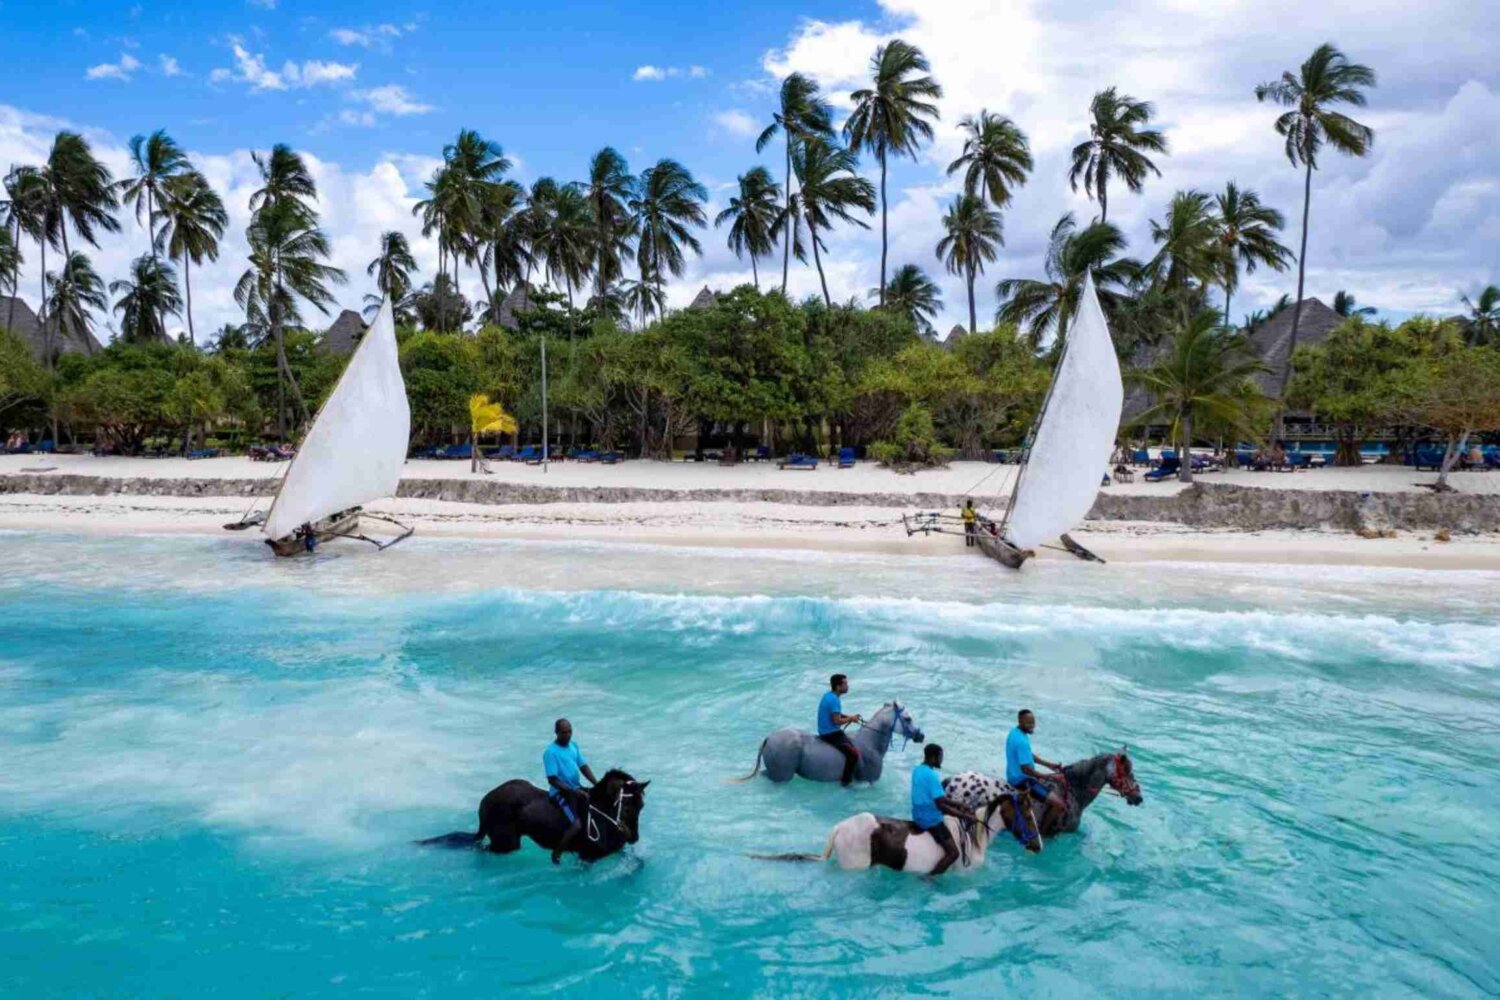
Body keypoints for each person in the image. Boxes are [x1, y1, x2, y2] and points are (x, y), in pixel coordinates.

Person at [911, 744, 978, 876]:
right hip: (930, 820)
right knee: (954, 853)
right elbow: (941, 805)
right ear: (933, 757)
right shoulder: (931, 776)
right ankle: (930, 877)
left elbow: (941, 798)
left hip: (917, 815)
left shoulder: (918, 770)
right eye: (940, 757)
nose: (941, 760)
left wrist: (959, 804)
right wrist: (964, 816)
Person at [544, 717, 598, 863]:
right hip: (560, 793)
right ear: (556, 732)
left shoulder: (573, 745)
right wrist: (574, 792)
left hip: (576, 788)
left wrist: (596, 783)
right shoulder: (550, 752)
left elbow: (583, 766)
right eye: (563, 732)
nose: (567, 735)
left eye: (569, 732)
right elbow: (552, 780)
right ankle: (557, 854)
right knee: (576, 825)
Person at [1005, 709, 1068, 829]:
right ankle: (1042, 833)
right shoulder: (1021, 741)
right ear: (1020, 721)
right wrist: (1050, 776)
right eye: (1029, 723)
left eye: (1033, 722)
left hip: (1013, 775)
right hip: (1022, 781)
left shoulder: (1015, 732)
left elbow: (1028, 755)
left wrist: (1049, 765)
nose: (1032, 726)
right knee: (1060, 805)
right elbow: (1026, 770)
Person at [817, 674, 863, 787]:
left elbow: (835, 714)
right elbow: (836, 721)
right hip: (830, 734)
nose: (847, 686)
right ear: (838, 687)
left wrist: (850, 717)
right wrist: (851, 718)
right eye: (845, 684)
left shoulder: (828, 695)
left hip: (825, 730)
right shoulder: (834, 700)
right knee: (854, 754)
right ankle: (846, 783)